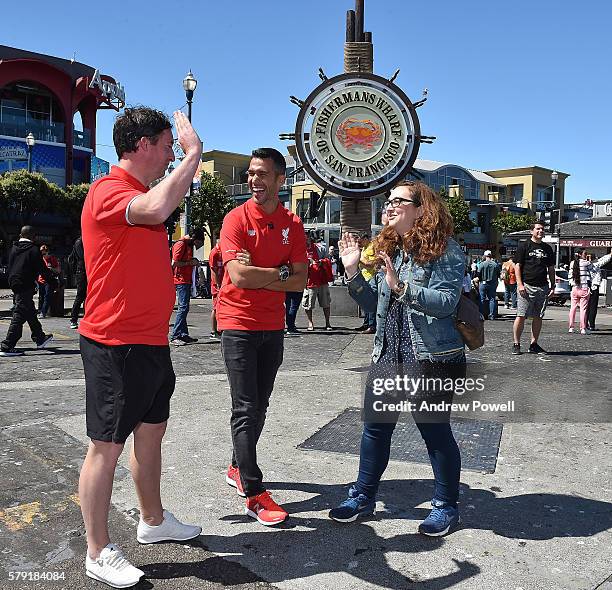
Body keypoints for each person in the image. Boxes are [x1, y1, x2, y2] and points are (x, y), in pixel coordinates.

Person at [77, 107, 202, 589]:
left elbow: (160, 203)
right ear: (142, 144)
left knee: (151, 435)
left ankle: (152, 520)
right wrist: (194, 156)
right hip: (115, 342)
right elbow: (155, 210)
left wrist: (183, 163)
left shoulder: (141, 192)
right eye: (168, 144)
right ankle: (97, 550)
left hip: (150, 341)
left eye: (177, 145)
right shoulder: (109, 190)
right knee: (105, 446)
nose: (172, 152)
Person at [329, 180, 466, 537]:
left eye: (398, 201)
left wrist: (402, 287)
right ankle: (362, 496)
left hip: (432, 357)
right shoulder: (391, 248)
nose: (388, 206)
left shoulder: (445, 250)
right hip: (389, 353)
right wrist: (353, 271)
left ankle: (446, 506)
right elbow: (373, 305)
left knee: (435, 433)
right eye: (387, 201)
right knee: (375, 430)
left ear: (421, 209)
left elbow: (446, 302)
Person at [218, 147, 307, 526]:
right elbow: (238, 277)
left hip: (272, 326)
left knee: (261, 405)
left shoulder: (292, 223)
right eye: (251, 173)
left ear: (280, 179)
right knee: (246, 407)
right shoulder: (234, 220)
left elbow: (302, 279)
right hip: (236, 321)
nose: (254, 180)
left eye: (262, 174)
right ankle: (254, 492)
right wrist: (281, 272)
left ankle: (238, 465)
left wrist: (267, 274)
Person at [0, 226, 54, 357]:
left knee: (29, 310)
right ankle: (8, 345)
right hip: (26, 284)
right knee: (19, 313)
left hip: (14, 282)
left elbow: (10, 265)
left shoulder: (13, 248)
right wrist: (54, 282)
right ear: (33, 236)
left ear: (20, 234)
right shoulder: (34, 250)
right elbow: (42, 269)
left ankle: (40, 338)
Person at [511, 222, 555, 355]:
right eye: (538, 229)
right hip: (527, 286)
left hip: (542, 287)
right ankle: (516, 344)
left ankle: (534, 344)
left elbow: (551, 268)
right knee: (521, 315)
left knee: (538, 316)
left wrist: (552, 286)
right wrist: (519, 284)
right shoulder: (524, 246)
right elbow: (517, 266)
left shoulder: (547, 248)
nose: (540, 231)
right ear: (532, 231)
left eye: (542, 229)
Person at [170, 229, 205, 345]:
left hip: (186, 280)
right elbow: (174, 263)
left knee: (184, 308)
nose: (197, 246)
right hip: (180, 280)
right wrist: (189, 263)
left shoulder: (187, 245)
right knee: (183, 308)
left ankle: (183, 334)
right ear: (193, 238)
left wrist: (192, 261)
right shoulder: (181, 244)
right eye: (197, 243)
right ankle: (175, 335)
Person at [303, 230, 333, 331]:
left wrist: (321, 262)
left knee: (326, 303)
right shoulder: (300, 250)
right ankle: (310, 323)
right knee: (308, 304)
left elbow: (328, 260)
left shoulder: (320, 248)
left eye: (307, 237)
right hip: (309, 281)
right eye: (303, 237)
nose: (305, 239)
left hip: (322, 280)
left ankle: (328, 323)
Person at [586, 250, 612, 331]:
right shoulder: (594, 265)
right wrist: (610, 254)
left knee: (585, 307)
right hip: (594, 288)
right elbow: (603, 260)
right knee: (592, 307)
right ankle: (591, 325)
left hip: (585, 287)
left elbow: (601, 260)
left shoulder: (583, 264)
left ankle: (585, 324)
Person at [568, 250, 591, 334]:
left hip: (575, 288)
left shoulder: (572, 263)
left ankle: (571, 327)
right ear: (581, 255)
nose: (586, 255)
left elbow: (570, 276)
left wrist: (572, 284)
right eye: (585, 254)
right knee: (583, 309)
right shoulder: (586, 263)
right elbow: (596, 267)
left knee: (572, 308)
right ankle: (583, 328)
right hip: (584, 288)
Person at [37, 244, 60, 318]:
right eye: (41, 254)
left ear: (48, 252)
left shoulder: (52, 259)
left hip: (49, 280)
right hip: (41, 280)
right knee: (41, 297)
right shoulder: (40, 259)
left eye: (44, 253)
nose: (43, 255)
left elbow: (58, 270)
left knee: (47, 296)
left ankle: (43, 312)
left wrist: (51, 269)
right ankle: (40, 310)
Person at [69, 236, 87, 329]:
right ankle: (73, 319)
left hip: (86, 271)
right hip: (82, 271)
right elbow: (83, 257)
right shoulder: (80, 242)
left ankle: (86, 317)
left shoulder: (82, 241)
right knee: (80, 296)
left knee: (87, 296)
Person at [477, 250, 500, 320]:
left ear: (485, 256)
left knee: (481, 299)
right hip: (493, 283)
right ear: (491, 256)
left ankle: (481, 315)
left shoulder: (482, 264)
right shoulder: (495, 264)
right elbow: (498, 274)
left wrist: (480, 279)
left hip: (483, 283)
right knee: (492, 299)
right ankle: (491, 315)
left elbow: (478, 274)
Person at [208, 238, 224, 340]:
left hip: (223, 283)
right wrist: (218, 284)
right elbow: (213, 270)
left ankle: (219, 329)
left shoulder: (222, 252)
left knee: (221, 307)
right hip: (217, 285)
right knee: (215, 307)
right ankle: (213, 331)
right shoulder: (214, 253)